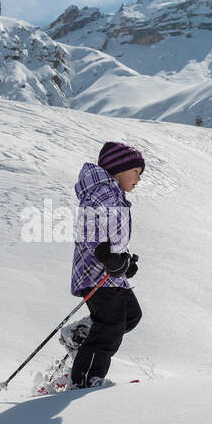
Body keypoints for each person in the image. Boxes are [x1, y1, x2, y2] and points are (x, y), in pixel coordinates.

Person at [69, 142, 144, 388]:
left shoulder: (114, 194)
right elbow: (89, 221)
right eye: (137, 172)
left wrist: (125, 260)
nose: (139, 179)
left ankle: (80, 334)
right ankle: (86, 380)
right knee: (110, 327)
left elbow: (114, 232)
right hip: (95, 271)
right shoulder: (101, 192)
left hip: (110, 274)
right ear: (119, 169)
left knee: (131, 316)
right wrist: (105, 253)